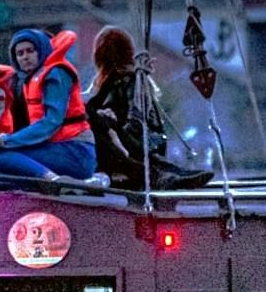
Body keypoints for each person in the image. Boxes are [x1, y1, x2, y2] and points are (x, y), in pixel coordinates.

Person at [84, 26, 213, 191]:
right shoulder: (112, 83)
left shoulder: (130, 82)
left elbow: (136, 124)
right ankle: (166, 172)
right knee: (96, 120)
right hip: (139, 145)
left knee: (97, 122)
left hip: (137, 146)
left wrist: (112, 129)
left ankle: (159, 173)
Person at [0, 28, 98, 183]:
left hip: (76, 151)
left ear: (41, 50)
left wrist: (9, 140)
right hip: (57, 147)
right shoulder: (30, 79)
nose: (25, 57)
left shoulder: (56, 73)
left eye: (30, 51)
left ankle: (53, 181)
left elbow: (52, 122)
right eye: (20, 54)